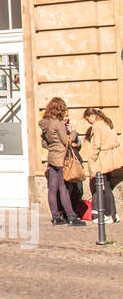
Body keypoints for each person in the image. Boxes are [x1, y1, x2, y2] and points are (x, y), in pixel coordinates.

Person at [39, 97, 86, 226]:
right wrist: (73, 133)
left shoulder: (45, 123)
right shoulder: (58, 123)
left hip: (52, 157)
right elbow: (66, 141)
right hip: (61, 158)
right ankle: (71, 216)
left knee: (52, 189)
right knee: (63, 187)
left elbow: (44, 143)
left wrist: (53, 147)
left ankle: (55, 216)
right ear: (60, 109)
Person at [80, 107, 120, 224]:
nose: (89, 122)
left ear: (92, 116)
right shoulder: (107, 122)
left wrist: (92, 159)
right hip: (110, 158)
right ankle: (113, 214)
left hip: (102, 159)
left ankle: (109, 214)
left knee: (105, 187)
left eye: (88, 120)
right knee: (107, 185)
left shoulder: (97, 125)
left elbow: (96, 145)